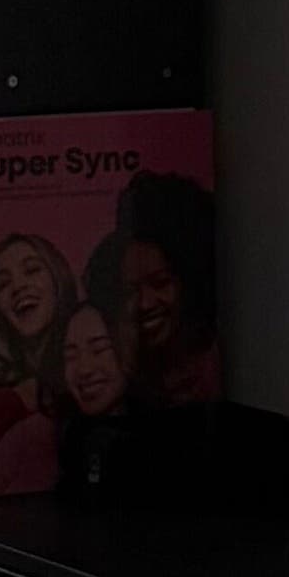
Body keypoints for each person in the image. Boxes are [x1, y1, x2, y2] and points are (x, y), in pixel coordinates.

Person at [0, 232, 73, 494]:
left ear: (58, 279)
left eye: (32, 270)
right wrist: (15, 401)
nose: (19, 287)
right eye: (3, 284)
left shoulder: (87, 353)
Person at [109, 173, 221, 407]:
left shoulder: (220, 374)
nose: (144, 303)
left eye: (160, 283)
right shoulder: (125, 374)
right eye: (131, 290)